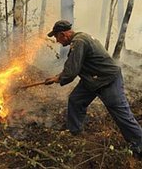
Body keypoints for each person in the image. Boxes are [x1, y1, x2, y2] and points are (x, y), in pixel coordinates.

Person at [45, 20, 142, 157]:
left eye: (56, 37)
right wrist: (58, 76)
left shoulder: (79, 42)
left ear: (63, 34)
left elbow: (72, 71)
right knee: (76, 100)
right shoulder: (80, 39)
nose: (57, 41)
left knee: (122, 114)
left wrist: (59, 78)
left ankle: (139, 146)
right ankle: (76, 133)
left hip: (107, 79)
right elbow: (75, 64)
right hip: (92, 79)